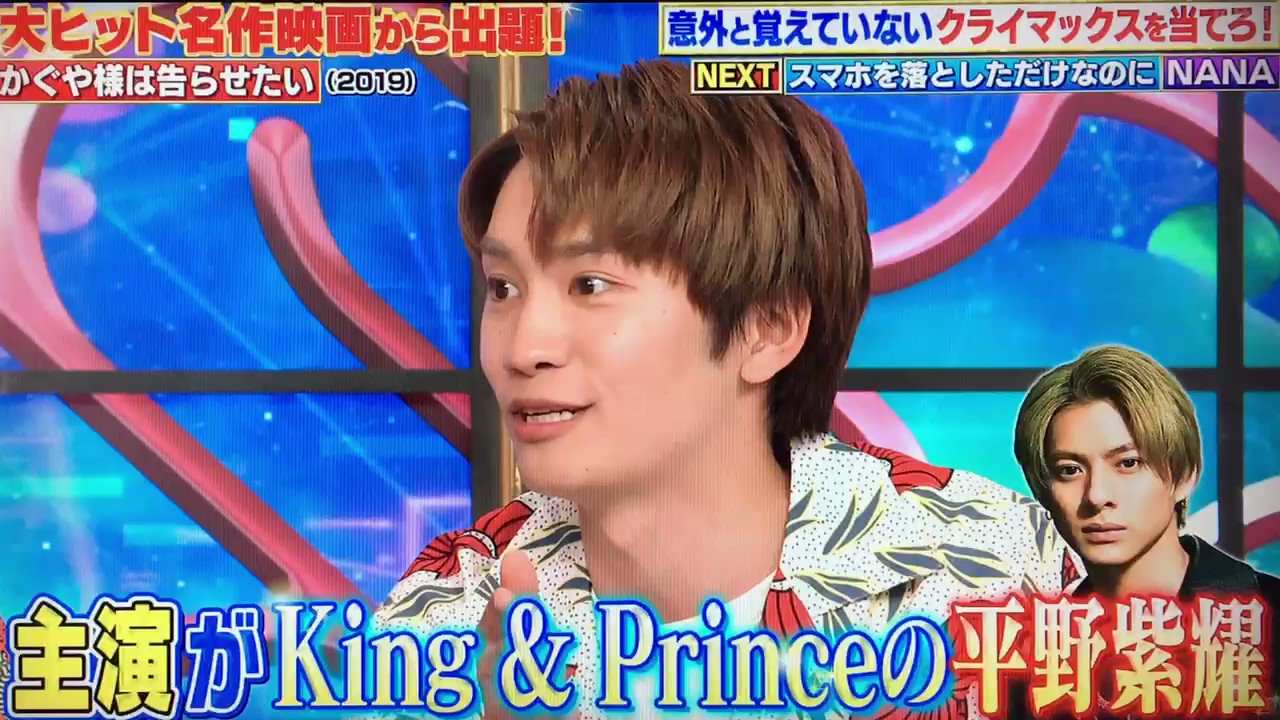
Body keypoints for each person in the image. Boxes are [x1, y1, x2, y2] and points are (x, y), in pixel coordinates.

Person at [375, 59, 1075, 720]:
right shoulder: (448, 608)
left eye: (590, 285)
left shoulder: (985, 570)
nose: (523, 349)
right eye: (503, 288)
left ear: (767, 328)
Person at [1012, 344, 1280, 718]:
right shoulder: (1029, 661)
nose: (1097, 495)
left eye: (1128, 463)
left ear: (1184, 476)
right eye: (1070, 470)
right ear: (1044, 491)